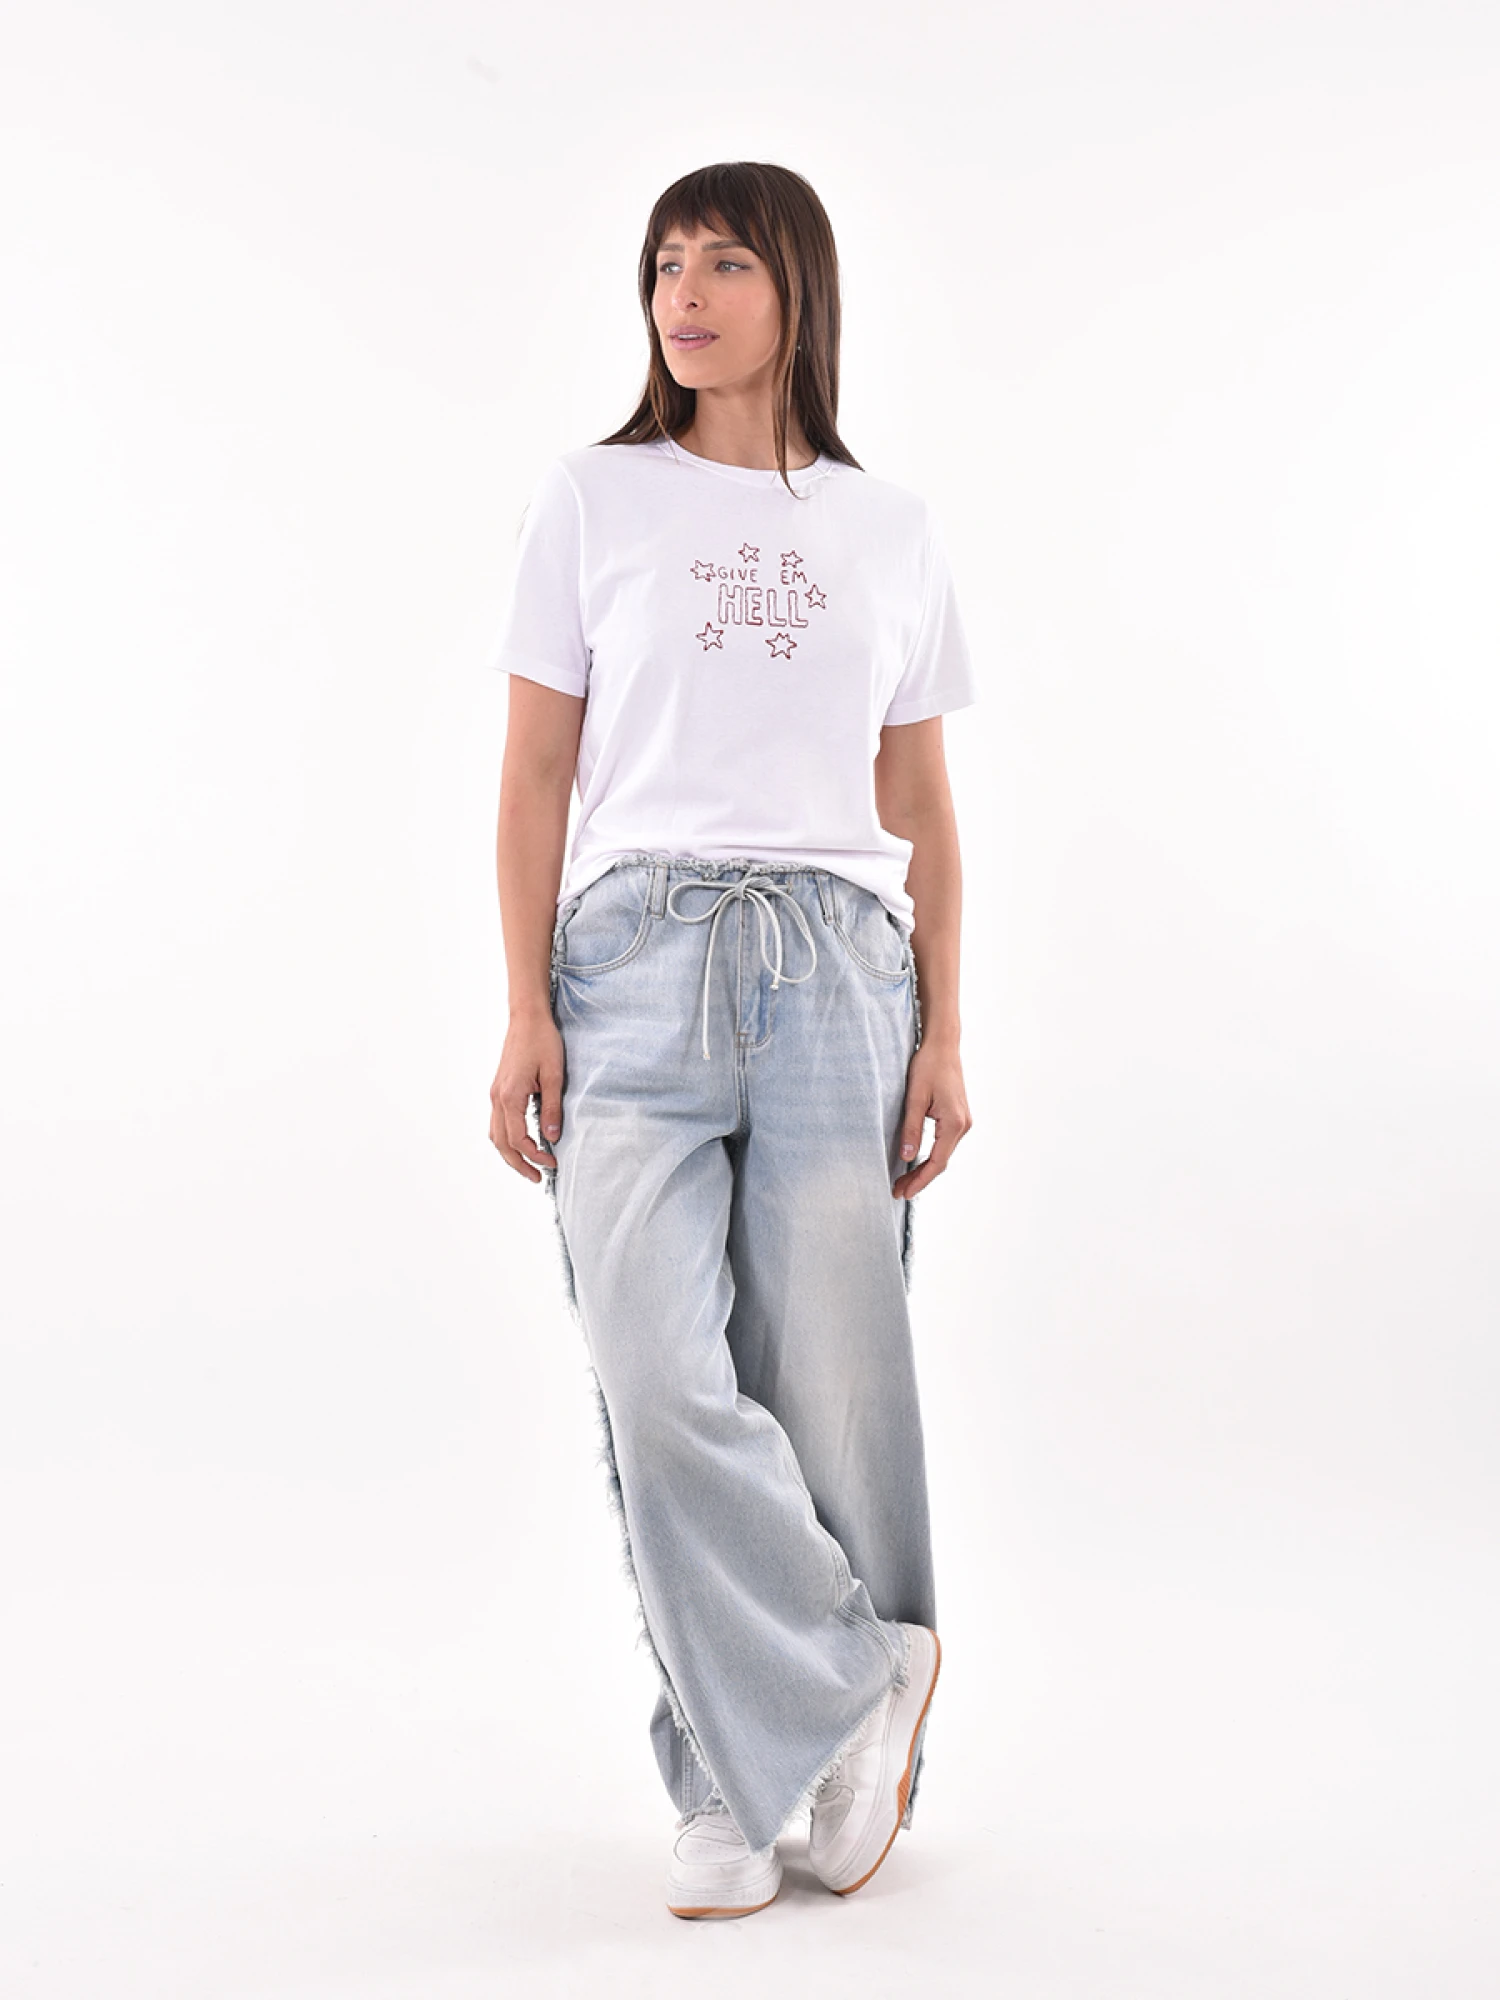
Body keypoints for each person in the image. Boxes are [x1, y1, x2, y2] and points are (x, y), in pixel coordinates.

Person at [487, 160, 976, 1919]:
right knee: (659, 1373)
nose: (683, 296)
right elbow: (537, 772)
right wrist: (524, 1003)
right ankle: (849, 1682)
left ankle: (733, 1788)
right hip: (633, 962)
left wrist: (946, 1028)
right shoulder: (594, 499)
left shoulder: (889, 529)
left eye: (723, 264)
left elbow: (920, 803)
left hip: (839, 968)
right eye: (665, 266)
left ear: (798, 292)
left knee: (828, 1378)